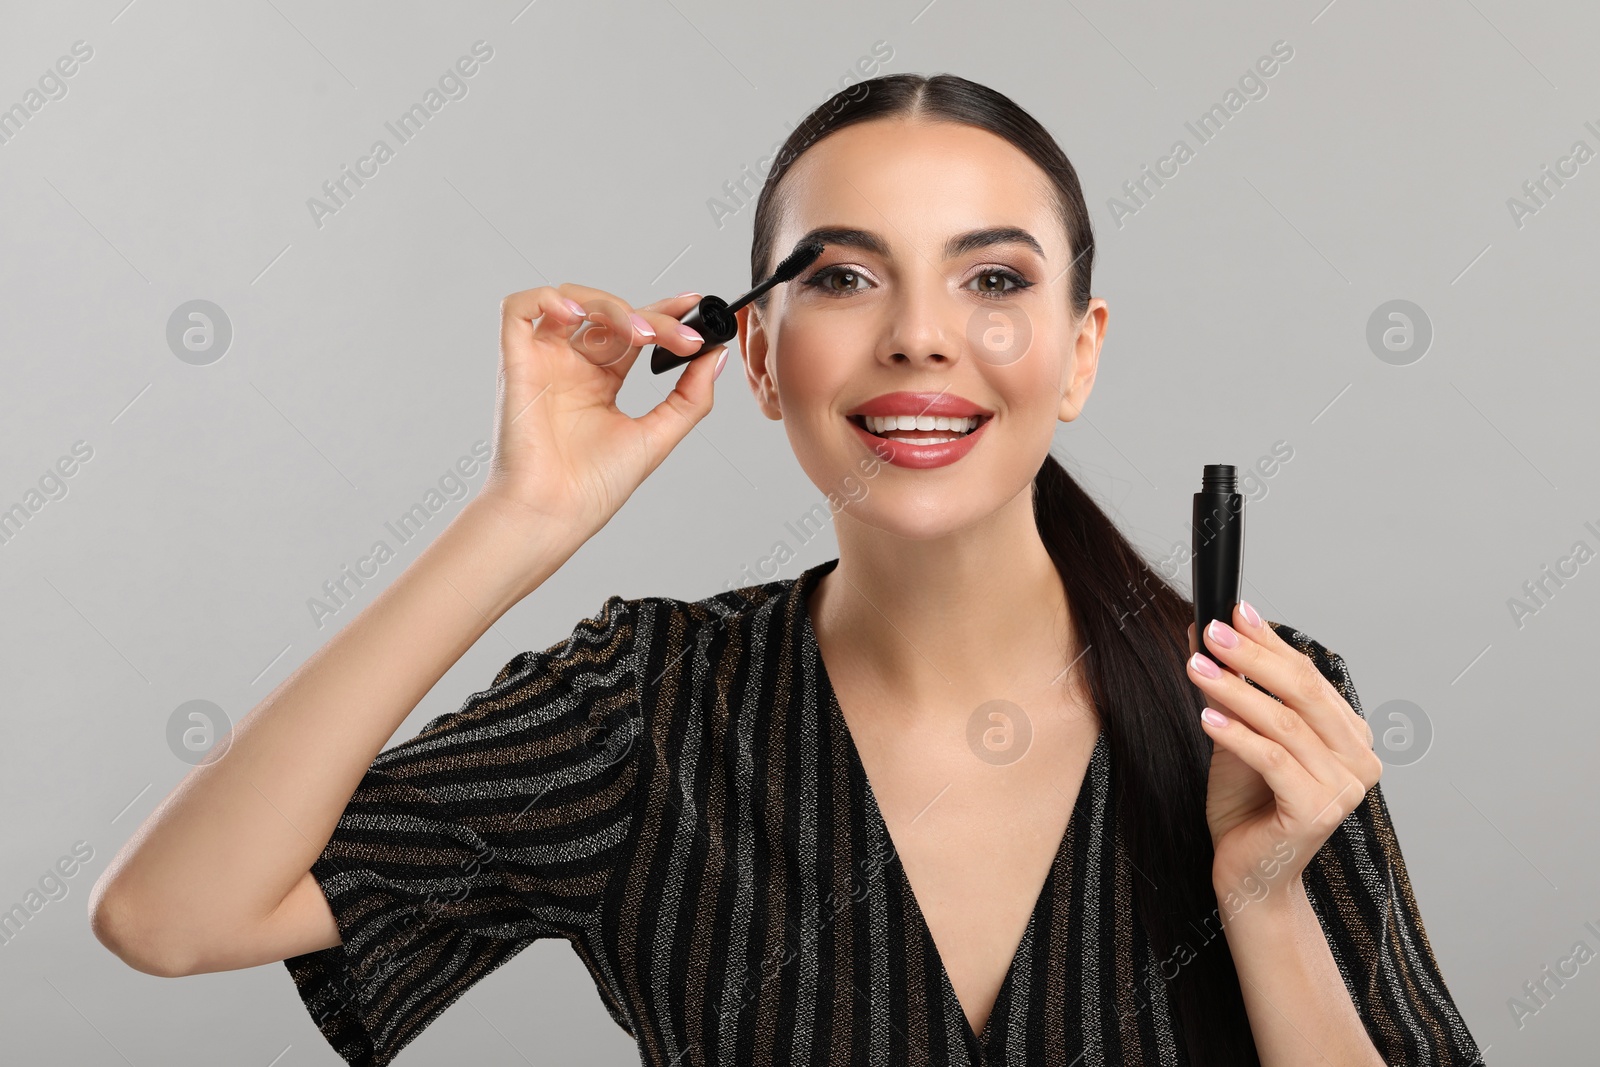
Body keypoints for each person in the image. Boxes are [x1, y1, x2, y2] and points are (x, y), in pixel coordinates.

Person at [87, 73, 1486, 1066]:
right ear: (755, 355)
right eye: (842, 277)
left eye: (994, 281)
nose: (922, 337)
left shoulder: (1254, 704)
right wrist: (518, 519)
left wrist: (1263, 896)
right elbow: (170, 917)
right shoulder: (644, 710)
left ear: (1081, 351)